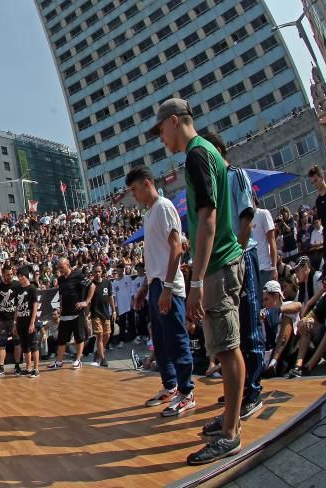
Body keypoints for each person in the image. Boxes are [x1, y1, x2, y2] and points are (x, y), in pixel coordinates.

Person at [150, 98, 245, 464]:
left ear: (175, 121)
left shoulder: (195, 154)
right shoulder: (208, 152)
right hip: (220, 259)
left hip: (218, 262)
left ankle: (231, 433)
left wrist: (196, 282)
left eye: (161, 130)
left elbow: (207, 218)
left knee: (226, 348)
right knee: (224, 346)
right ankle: (230, 416)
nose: (161, 139)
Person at [204, 132, 267, 419]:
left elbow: (246, 221)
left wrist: (237, 256)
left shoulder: (235, 176)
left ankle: (252, 391)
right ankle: (238, 388)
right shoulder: (214, 186)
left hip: (242, 257)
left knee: (249, 325)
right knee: (235, 331)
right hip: (227, 262)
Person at [127, 166, 194, 417]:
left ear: (147, 183)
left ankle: (187, 393)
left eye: (134, 189)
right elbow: (155, 255)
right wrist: (146, 287)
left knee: (176, 340)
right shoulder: (149, 214)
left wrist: (166, 287)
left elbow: (177, 248)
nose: (134, 195)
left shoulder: (164, 207)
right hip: (156, 284)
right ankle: (171, 387)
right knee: (161, 341)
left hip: (169, 285)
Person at [48, 258, 93, 370]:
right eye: (58, 267)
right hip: (65, 314)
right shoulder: (60, 279)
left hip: (77, 314)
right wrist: (60, 308)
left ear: (67, 265)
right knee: (62, 339)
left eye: (61, 267)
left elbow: (92, 286)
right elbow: (61, 296)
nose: (60, 269)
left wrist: (86, 302)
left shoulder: (78, 275)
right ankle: (59, 362)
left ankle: (78, 360)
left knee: (79, 338)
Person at [12, 266, 41, 377]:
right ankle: (28, 367)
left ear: (27, 276)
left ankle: (36, 368)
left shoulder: (32, 289)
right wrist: (15, 323)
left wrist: (32, 322)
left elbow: (35, 306)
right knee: (25, 346)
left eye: (21, 276)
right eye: (18, 277)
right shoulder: (18, 290)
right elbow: (16, 308)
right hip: (20, 321)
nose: (20, 279)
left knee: (33, 345)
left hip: (29, 320)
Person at [88, 265, 116, 367]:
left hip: (106, 313)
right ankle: (103, 359)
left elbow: (110, 297)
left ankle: (98, 353)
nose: (97, 273)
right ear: (93, 272)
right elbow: (88, 300)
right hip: (95, 313)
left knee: (107, 335)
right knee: (99, 335)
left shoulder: (107, 282)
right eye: (95, 271)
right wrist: (87, 313)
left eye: (99, 271)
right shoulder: (90, 285)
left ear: (102, 272)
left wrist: (113, 311)